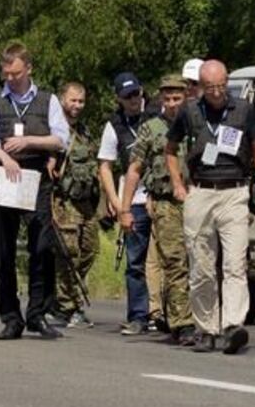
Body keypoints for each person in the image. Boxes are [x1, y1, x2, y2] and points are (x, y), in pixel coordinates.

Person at [165, 59, 255, 353]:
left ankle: (232, 326)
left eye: (221, 86)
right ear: (200, 86)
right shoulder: (188, 111)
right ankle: (206, 327)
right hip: (200, 192)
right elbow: (171, 150)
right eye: (210, 87)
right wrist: (177, 183)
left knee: (235, 264)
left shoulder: (243, 111)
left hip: (234, 192)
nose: (215, 92)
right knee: (202, 266)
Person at [0, 43, 70, 340]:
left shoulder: (48, 100)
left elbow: (61, 140)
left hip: (36, 178)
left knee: (42, 248)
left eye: (15, 73)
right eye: (6, 74)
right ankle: (11, 317)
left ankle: (37, 313)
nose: (10, 79)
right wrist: (5, 158)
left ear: (28, 69)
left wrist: (30, 141)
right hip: (4, 177)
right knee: (2, 253)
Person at [120, 75, 193, 344]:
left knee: (200, 262)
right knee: (174, 262)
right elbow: (135, 168)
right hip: (165, 203)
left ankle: (202, 318)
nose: (173, 104)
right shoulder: (150, 128)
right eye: (168, 99)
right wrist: (125, 209)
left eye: (177, 98)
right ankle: (181, 322)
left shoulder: (197, 125)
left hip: (198, 200)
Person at [98, 72, 154, 335]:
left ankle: (166, 314)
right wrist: (117, 201)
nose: (134, 100)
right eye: (128, 96)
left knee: (169, 259)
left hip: (159, 196)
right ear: (118, 99)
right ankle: (138, 316)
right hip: (133, 200)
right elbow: (106, 166)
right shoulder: (114, 125)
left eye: (137, 94)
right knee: (135, 261)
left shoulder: (156, 112)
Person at [50, 81, 100, 328]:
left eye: (81, 101)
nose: (77, 106)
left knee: (90, 250)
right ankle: (66, 307)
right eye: (73, 100)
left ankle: (71, 298)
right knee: (68, 254)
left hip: (86, 203)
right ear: (62, 100)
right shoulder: (56, 130)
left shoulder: (85, 131)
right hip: (64, 202)